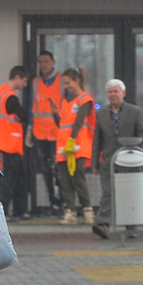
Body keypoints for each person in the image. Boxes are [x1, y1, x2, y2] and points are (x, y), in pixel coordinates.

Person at [92, 78, 143, 238]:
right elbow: (97, 139)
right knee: (108, 192)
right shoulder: (101, 114)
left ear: (123, 93)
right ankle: (102, 223)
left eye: (116, 91)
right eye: (110, 92)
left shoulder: (135, 112)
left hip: (131, 159)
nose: (113, 94)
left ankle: (131, 226)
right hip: (109, 161)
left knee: (130, 192)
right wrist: (94, 162)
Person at [0, 65, 31, 220]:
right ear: (17, 78)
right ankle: (7, 210)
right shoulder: (10, 96)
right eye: (24, 81)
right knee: (11, 179)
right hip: (9, 143)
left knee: (16, 178)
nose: (24, 85)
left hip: (3, 142)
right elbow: (23, 115)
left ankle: (17, 210)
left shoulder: (1, 93)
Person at [53, 67, 95, 224]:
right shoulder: (66, 103)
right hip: (64, 146)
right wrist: (54, 114)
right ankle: (70, 211)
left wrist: (72, 139)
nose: (66, 86)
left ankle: (87, 210)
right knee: (65, 179)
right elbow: (62, 124)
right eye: (64, 84)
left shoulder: (85, 99)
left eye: (68, 83)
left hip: (77, 144)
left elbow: (79, 122)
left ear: (77, 81)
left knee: (78, 177)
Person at [29, 50, 63, 215]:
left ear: (53, 62)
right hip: (40, 133)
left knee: (59, 169)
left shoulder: (62, 82)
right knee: (47, 170)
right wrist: (30, 129)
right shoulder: (35, 83)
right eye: (40, 61)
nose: (43, 65)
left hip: (59, 133)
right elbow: (32, 108)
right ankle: (53, 203)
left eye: (46, 61)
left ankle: (61, 202)